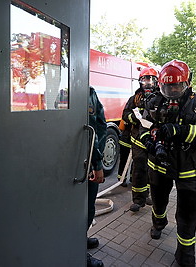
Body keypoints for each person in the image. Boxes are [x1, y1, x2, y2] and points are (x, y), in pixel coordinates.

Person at [139, 60, 196, 266]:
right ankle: (159, 222)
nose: (173, 90)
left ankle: (185, 254)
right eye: (168, 86)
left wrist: (181, 131)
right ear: (161, 85)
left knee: (187, 213)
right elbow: (143, 127)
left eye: (177, 86)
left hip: (188, 169)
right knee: (158, 202)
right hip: (158, 165)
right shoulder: (154, 102)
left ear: (188, 83)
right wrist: (149, 141)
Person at [121, 66, 159, 212]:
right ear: (140, 82)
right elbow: (125, 115)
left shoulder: (161, 98)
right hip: (137, 139)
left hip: (153, 139)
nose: (148, 83)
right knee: (138, 170)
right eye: (145, 80)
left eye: (151, 80)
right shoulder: (135, 99)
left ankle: (148, 195)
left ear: (157, 82)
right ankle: (138, 200)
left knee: (153, 170)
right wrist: (136, 119)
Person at [87, 86, 106, 267]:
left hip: (89, 158)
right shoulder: (84, 92)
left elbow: (100, 127)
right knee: (83, 210)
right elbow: (90, 130)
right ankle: (77, 251)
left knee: (87, 208)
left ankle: (79, 239)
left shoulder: (90, 92)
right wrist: (97, 164)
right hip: (86, 163)